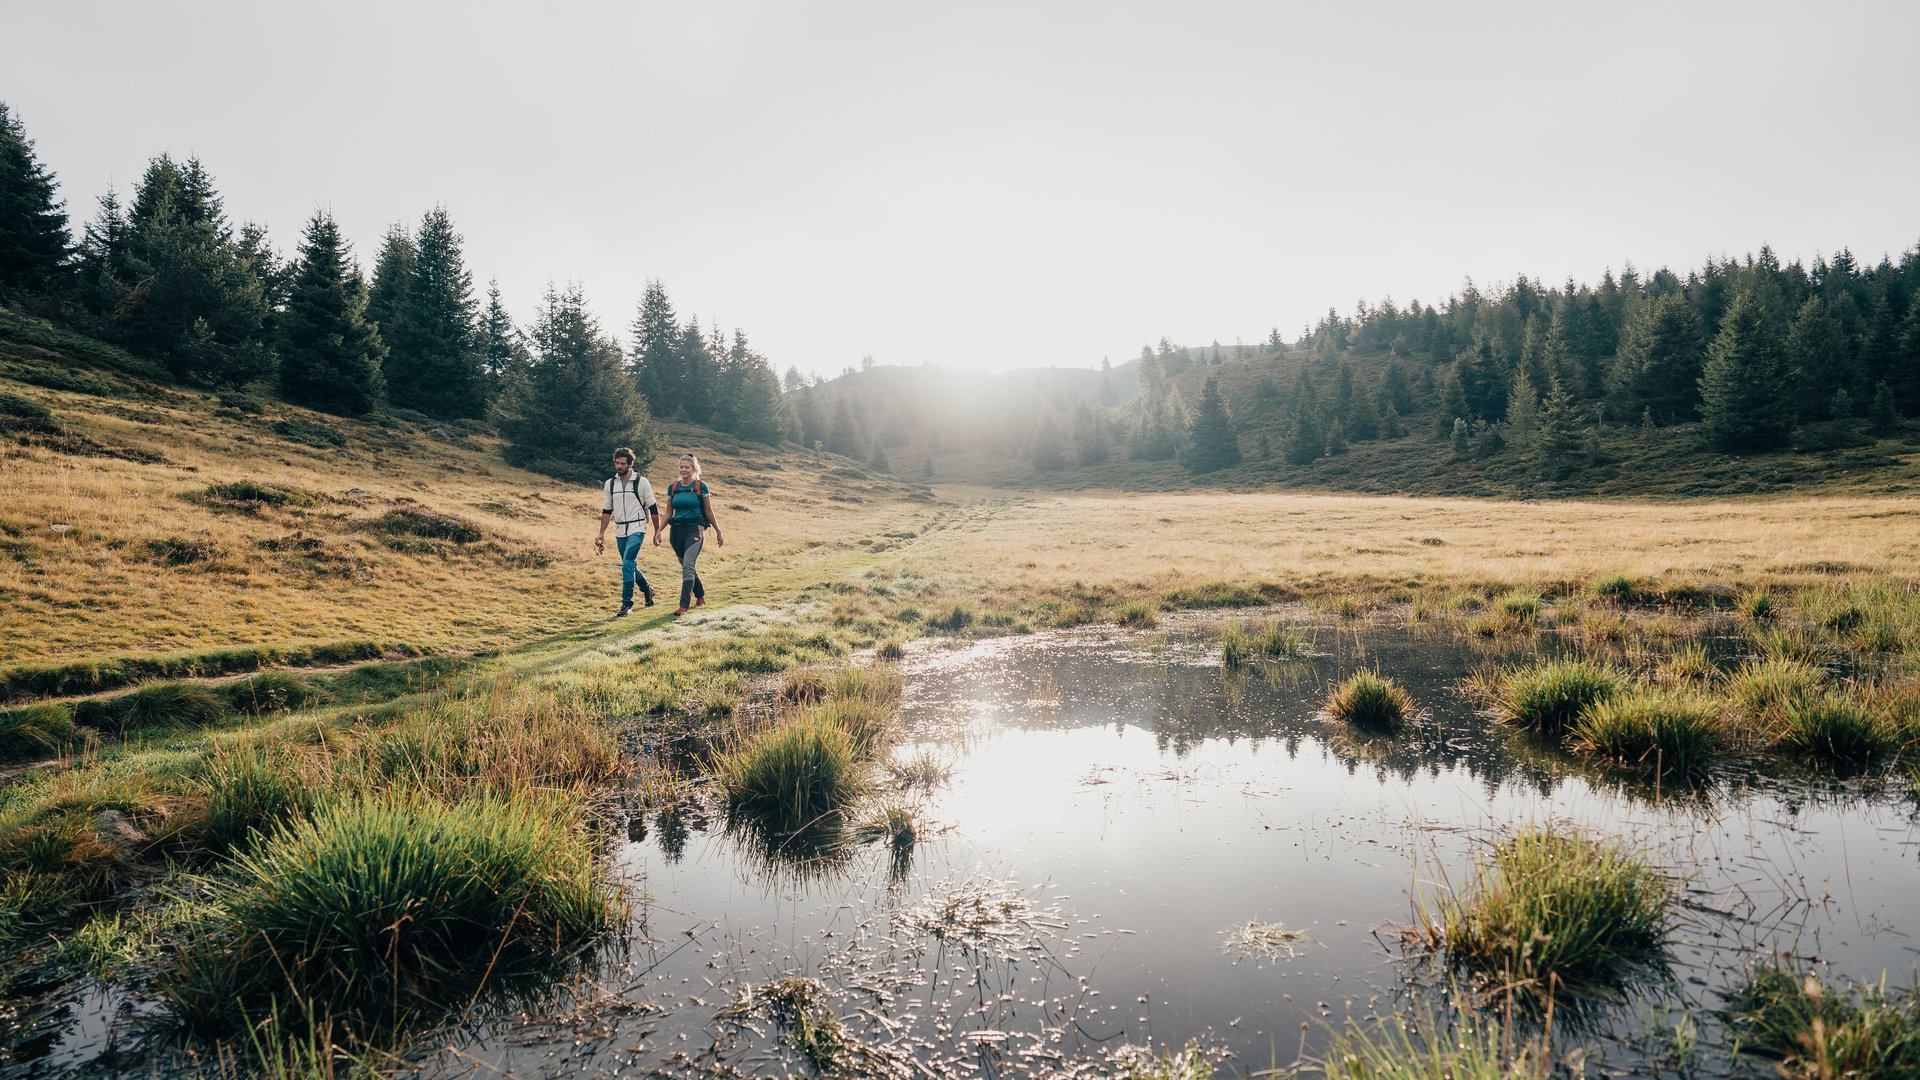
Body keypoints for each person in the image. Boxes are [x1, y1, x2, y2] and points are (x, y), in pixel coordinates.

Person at [594, 447, 659, 616]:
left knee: (627, 563)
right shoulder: (610, 484)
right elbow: (607, 510)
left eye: (623, 463)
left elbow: (653, 507)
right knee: (629, 565)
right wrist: (601, 533)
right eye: (617, 463)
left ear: (630, 464)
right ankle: (648, 590)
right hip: (620, 528)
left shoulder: (641, 481)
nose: (619, 466)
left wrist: (657, 531)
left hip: (638, 526)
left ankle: (627, 604)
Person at [657, 453, 723, 616]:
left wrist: (718, 531)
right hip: (677, 531)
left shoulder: (701, 486)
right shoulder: (673, 487)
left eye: (687, 467)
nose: (683, 470)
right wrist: (658, 531)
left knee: (687, 565)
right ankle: (700, 595)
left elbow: (708, 510)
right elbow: (668, 512)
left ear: (693, 469)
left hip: (695, 529)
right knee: (688, 566)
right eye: (681, 467)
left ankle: (683, 605)